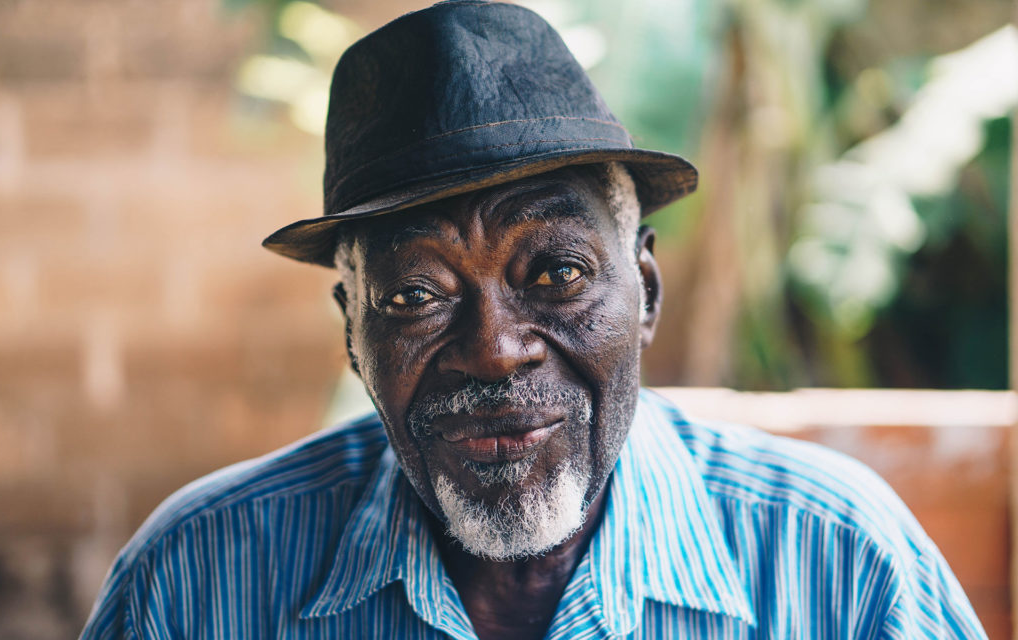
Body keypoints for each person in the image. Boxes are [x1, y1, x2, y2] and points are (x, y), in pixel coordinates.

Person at [80, 2, 988, 638]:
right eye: (415, 297)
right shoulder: (197, 580)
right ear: (352, 335)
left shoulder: (838, 563)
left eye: (555, 273)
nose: (495, 351)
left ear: (646, 292)